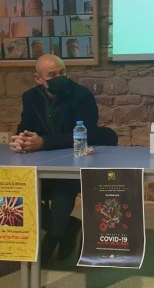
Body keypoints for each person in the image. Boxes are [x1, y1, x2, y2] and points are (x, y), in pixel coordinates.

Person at [8, 54, 100, 262]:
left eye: (62, 72)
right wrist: (21, 139)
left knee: (62, 191)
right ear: (38, 79)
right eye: (52, 75)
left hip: (73, 162)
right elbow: (24, 127)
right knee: (14, 189)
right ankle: (66, 227)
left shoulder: (82, 96)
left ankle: (56, 234)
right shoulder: (30, 97)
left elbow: (89, 134)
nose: (59, 78)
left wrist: (44, 142)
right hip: (40, 162)